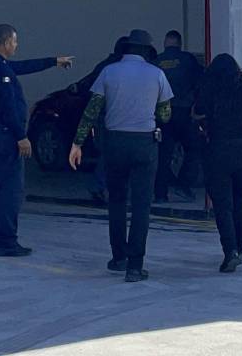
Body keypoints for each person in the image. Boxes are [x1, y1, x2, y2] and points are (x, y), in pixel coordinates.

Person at [69, 29, 173, 283]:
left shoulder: (108, 72)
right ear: (147, 51)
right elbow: (166, 114)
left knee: (116, 202)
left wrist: (77, 143)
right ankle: (135, 267)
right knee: (141, 206)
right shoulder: (157, 74)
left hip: (114, 144)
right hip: (144, 145)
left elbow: (92, 111)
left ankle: (118, 258)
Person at [0, 24, 74, 256]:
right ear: (6, 42)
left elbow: (22, 66)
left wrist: (52, 61)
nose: (16, 45)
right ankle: (6, 241)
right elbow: (8, 105)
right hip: (6, 136)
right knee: (9, 192)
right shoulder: (0, 71)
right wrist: (22, 137)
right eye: (15, 41)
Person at [193, 53, 242, 273]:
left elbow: (195, 115)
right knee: (239, 202)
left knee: (222, 206)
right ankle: (239, 249)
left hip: (217, 152)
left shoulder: (209, 91)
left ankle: (230, 251)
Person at [70, 36, 130, 204]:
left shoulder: (106, 66)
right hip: (115, 117)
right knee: (113, 155)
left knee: (108, 153)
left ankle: (102, 187)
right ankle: (103, 186)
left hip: (104, 115)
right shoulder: (122, 68)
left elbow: (89, 86)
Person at [154, 30, 204, 203]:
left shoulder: (157, 61)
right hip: (184, 112)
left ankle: (160, 194)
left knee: (163, 154)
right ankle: (183, 184)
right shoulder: (188, 60)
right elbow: (200, 82)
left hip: (162, 114)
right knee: (194, 149)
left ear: (165, 43)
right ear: (180, 43)